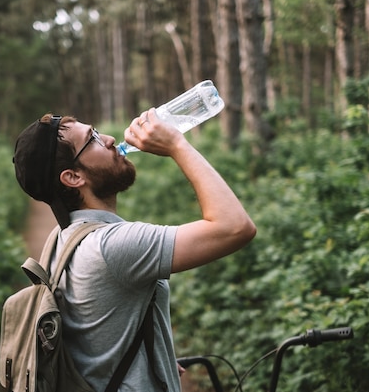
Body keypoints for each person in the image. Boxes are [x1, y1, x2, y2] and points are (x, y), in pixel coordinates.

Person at [13, 109, 256, 391]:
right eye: (91, 139)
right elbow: (236, 227)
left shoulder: (63, 236)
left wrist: (151, 355)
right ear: (73, 177)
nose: (109, 139)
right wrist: (177, 145)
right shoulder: (113, 245)